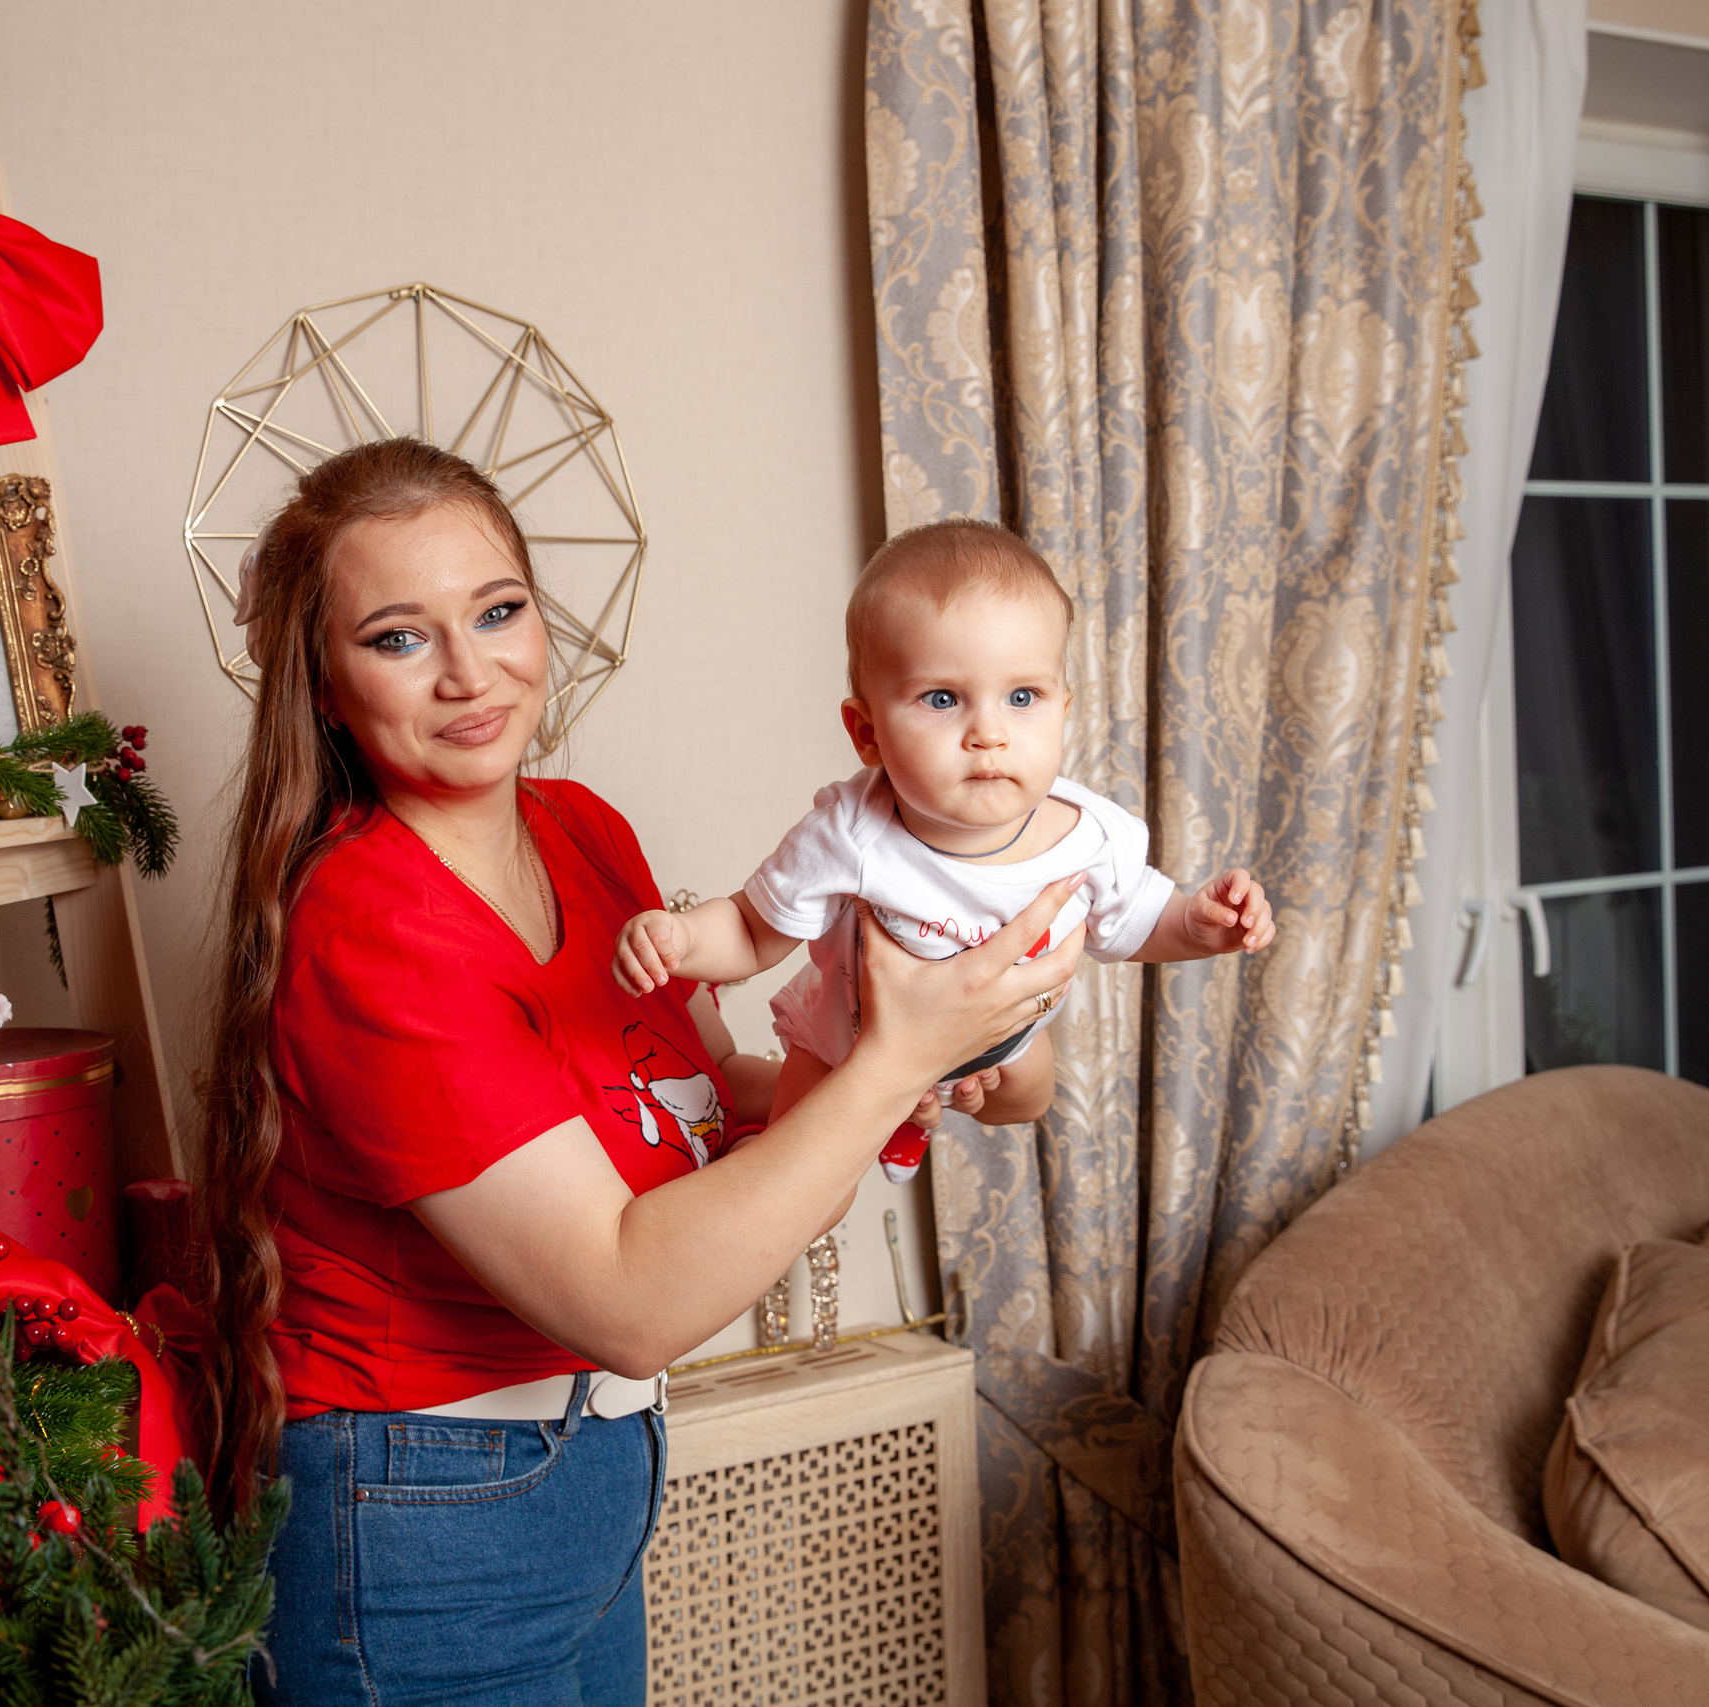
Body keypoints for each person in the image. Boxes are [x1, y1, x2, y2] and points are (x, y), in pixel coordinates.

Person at [195, 443, 1085, 1706]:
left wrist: (921, 1062)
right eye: (399, 638)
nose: (469, 672)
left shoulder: (582, 828)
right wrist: (891, 1062)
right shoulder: (367, 926)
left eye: (498, 612)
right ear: (325, 687)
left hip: (592, 1478)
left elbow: (710, 1084)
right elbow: (626, 1300)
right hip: (423, 1513)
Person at [611, 519, 1276, 1182]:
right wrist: (681, 937)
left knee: (1031, 1081)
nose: (988, 732)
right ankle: (885, 1118)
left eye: (1022, 696)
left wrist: (1199, 923)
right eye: (941, 698)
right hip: (848, 1039)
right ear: (866, 732)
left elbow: (1140, 919)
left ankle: (917, 1113)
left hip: (998, 1038)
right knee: (788, 1167)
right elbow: (752, 930)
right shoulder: (851, 832)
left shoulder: (1088, 834)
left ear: (1064, 709)